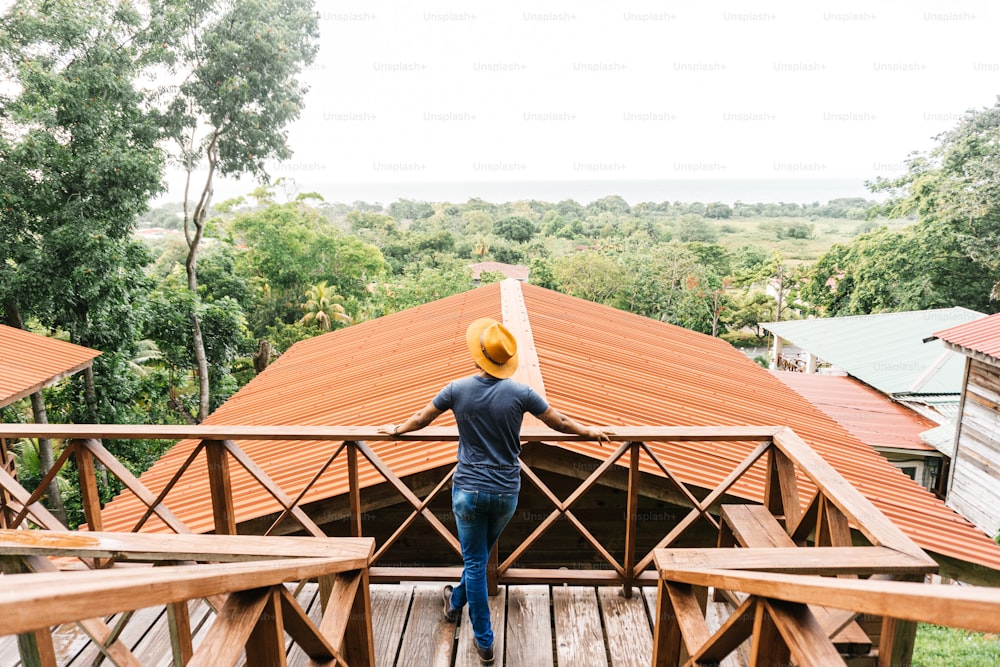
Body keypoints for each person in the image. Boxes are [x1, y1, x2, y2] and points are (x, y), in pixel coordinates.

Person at [380, 318, 613, 665]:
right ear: (504, 362)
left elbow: (421, 417)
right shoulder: (521, 393)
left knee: (475, 561)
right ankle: (455, 600)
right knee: (479, 558)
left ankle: (485, 642)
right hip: (506, 491)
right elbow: (559, 422)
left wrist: (397, 430)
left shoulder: (456, 389)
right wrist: (590, 431)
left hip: (468, 489)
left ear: (479, 356)